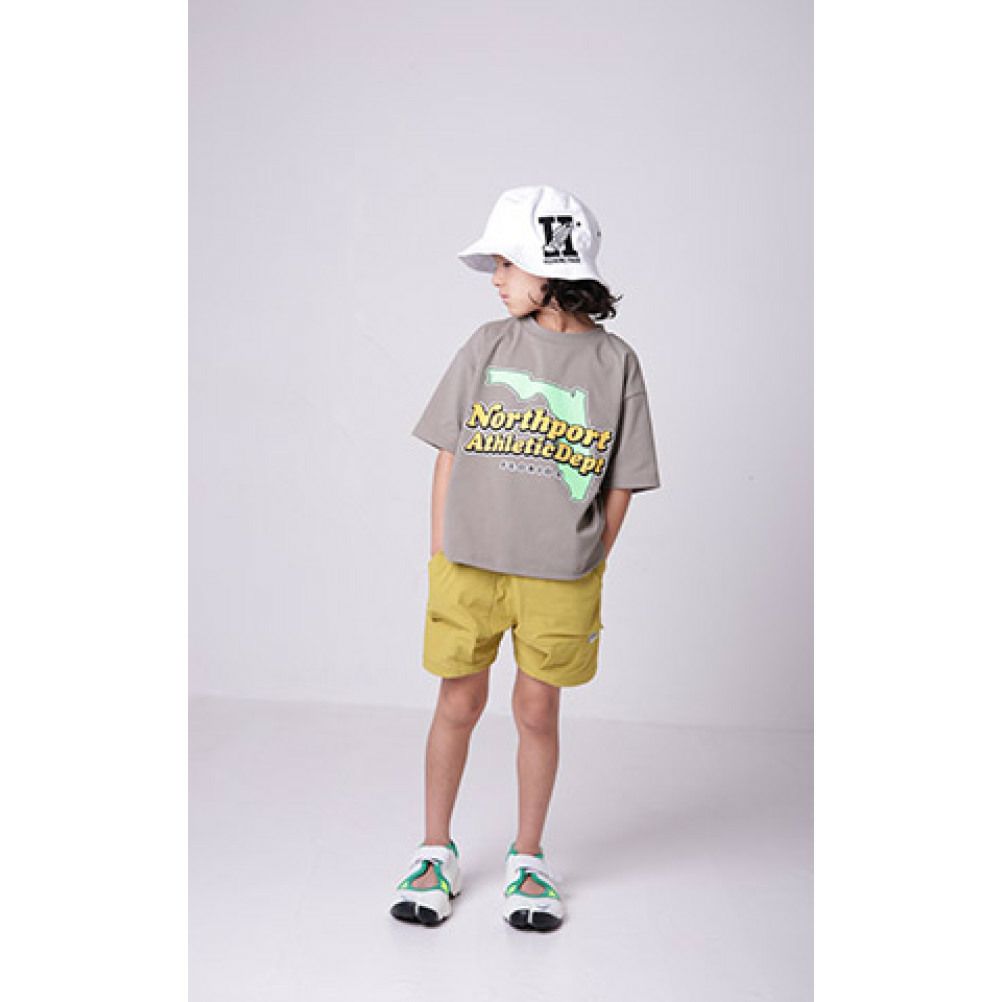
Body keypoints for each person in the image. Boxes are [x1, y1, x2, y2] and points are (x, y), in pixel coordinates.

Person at [389, 184, 661, 932]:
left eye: (507, 263)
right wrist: (440, 550)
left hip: (560, 579)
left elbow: (624, 480)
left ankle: (529, 856)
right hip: (470, 567)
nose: (496, 279)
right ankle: (434, 849)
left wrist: (591, 558)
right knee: (458, 702)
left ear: (552, 266)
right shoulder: (488, 346)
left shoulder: (616, 363)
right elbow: (449, 451)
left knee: (537, 711)